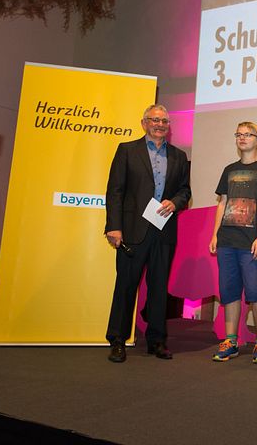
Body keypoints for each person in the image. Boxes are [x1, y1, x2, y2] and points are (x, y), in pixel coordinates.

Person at [104, 104, 191, 363]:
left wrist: (175, 202)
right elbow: (115, 191)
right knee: (126, 286)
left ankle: (157, 340)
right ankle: (117, 340)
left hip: (163, 230)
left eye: (164, 121)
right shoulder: (127, 150)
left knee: (158, 287)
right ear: (144, 123)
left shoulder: (178, 155)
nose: (159, 124)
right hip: (132, 230)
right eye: (154, 120)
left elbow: (186, 191)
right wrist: (113, 226)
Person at [209, 122, 257, 364]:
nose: (243, 138)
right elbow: (222, 203)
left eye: (248, 135)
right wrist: (215, 234)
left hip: (252, 243)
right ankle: (231, 340)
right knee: (228, 293)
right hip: (227, 241)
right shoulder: (229, 169)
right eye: (239, 134)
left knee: (256, 291)